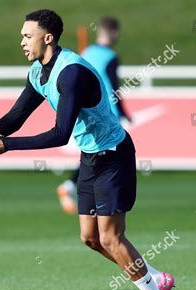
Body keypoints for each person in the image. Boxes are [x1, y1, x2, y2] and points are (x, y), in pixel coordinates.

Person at [0, 9, 176, 290]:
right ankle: (154, 276)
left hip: (113, 156)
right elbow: (14, 119)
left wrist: (9, 146)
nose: (22, 42)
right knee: (90, 238)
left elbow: (60, 133)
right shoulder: (37, 72)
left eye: (27, 36)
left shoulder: (71, 73)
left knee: (111, 237)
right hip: (90, 158)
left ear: (48, 38)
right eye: (21, 36)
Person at [57, 16, 132, 215]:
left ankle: (71, 187)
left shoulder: (86, 52)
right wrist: (124, 113)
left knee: (92, 153)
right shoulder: (111, 57)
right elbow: (115, 88)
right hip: (107, 111)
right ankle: (90, 196)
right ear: (114, 33)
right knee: (107, 157)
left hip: (85, 110)